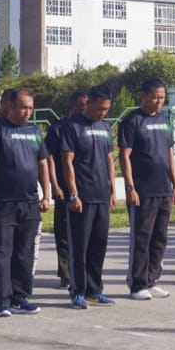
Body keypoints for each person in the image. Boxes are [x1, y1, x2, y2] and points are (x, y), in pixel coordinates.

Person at [0, 87, 51, 316]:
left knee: (25, 252)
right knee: (3, 252)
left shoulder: (34, 131)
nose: (27, 112)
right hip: (4, 203)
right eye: (23, 107)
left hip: (29, 202)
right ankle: (3, 300)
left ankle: (21, 297)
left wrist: (46, 194)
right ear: (11, 106)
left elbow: (43, 164)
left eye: (30, 108)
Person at [56, 85, 118, 308]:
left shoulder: (104, 126)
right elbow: (67, 163)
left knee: (98, 245)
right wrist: (73, 194)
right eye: (100, 108)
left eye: (107, 109)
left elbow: (110, 159)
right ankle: (78, 291)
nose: (103, 113)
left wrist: (112, 189)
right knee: (79, 247)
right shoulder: (72, 127)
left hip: (101, 194)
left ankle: (94, 290)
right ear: (88, 102)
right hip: (82, 196)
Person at [118, 78, 175, 301]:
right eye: (155, 97)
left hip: (164, 189)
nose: (159, 101)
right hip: (143, 191)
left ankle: (152, 280)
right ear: (143, 96)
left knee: (160, 238)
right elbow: (124, 156)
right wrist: (130, 187)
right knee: (142, 238)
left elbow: (169, 153)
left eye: (162, 97)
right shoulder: (132, 121)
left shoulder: (163, 120)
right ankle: (137, 284)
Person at [47, 91, 85, 290]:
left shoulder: (88, 126)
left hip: (86, 188)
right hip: (64, 188)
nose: (84, 109)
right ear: (71, 106)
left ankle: (82, 272)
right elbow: (50, 158)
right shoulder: (58, 128)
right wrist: (55, 185)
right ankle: (66, 273)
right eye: (81, 105)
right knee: (64, 233)